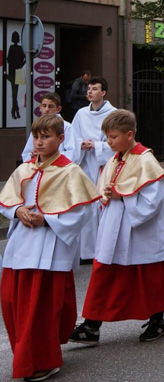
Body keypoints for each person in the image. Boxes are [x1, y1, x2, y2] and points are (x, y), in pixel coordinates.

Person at [70, 110, 164, 346]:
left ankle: (157, 320)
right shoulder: (116, 158)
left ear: (129, 134)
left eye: (112, 137)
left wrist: (121, 196)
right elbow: (106, 191)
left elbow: (154, 201)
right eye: (107, 137)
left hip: (141, 232)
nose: (108, 142)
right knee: (104, 274)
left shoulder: (146, 160)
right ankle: (91, 326)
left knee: (151, 276)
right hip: (115, 227)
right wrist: (108, 198)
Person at [0, 114, 99, 381]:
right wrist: (18, 210)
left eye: (47, 137)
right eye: (36, 137)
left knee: (40, 309)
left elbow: (82, 211)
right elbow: (7, 200)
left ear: (61, 139)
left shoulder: (70, 171)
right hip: (21, 246)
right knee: (13, 304)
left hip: (50, 248)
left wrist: (48, 220)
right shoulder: (25, 169)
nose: (40, 142)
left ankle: (44, 360)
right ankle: (28, 354)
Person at [70, 77, 117, 261]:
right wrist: (81, 144)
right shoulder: (81, 114)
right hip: (84, 164)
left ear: (103, 93)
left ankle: (102, 249)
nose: (89, 91)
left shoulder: (113, 114)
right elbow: (72, 138)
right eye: (88, 88)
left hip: (102, 165)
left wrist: (97, 145)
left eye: (94, 88)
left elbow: (115, 143)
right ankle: (85, 252)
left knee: (100, 204)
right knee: (85, 204)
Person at [21, 93, 75, 162]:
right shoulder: (38, 125)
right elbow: (26, 154)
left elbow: (72, 154)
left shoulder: (66, 127)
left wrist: (46, 155)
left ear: (58, 109)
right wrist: (32, 156)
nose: (46, 109)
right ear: (40, 107)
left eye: (51, 106)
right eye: (44, 106)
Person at [4, 31, 26, 120]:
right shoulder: (20, 48)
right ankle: (15, 111)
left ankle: (14, 111)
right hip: (19, 72)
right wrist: (20, 65)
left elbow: (8, 59)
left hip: (13, 72)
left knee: (15, 94)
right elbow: (25, 58)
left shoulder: (12, 47)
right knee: (15, 93)